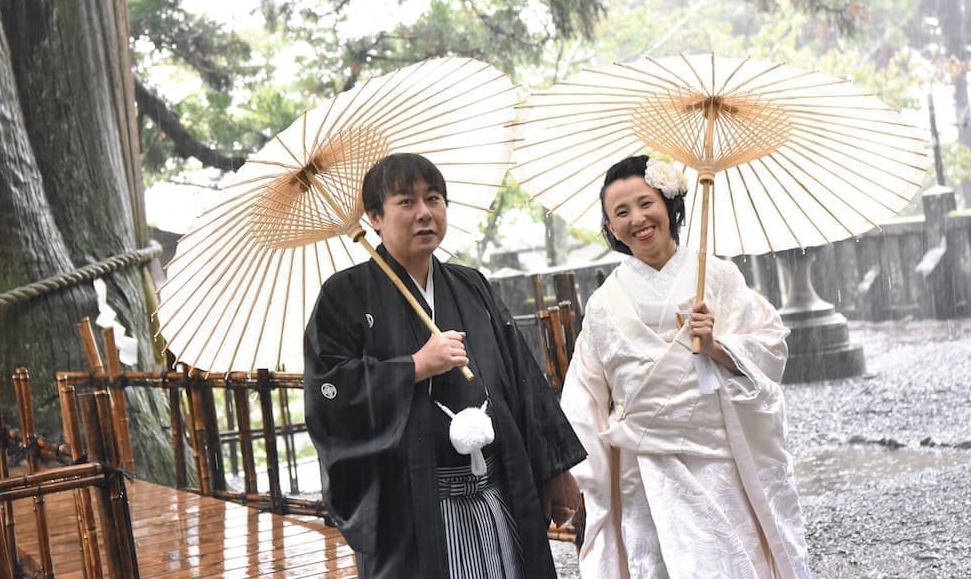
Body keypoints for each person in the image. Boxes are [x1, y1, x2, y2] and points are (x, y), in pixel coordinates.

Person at [304, 152, 585, 579]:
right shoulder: (344, 296)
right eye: (406, 202)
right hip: (414, 512)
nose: (424, 213)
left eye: (433, 199)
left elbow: (522, 380)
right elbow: (329, 394)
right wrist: (413, 366)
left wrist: (554, 468)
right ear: (375, 216)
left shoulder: (470, 284)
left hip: (495, 494)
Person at [560, 155, 811, 579]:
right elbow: (584, 396)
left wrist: (718, 345)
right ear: (610, 227)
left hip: (717, 457)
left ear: (669, 204)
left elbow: (770, 349)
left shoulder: (718, 276)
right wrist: (570, 471)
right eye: (620, 212)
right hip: (643, 465)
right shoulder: (604, 303)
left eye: (645, 203)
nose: (637, 219)